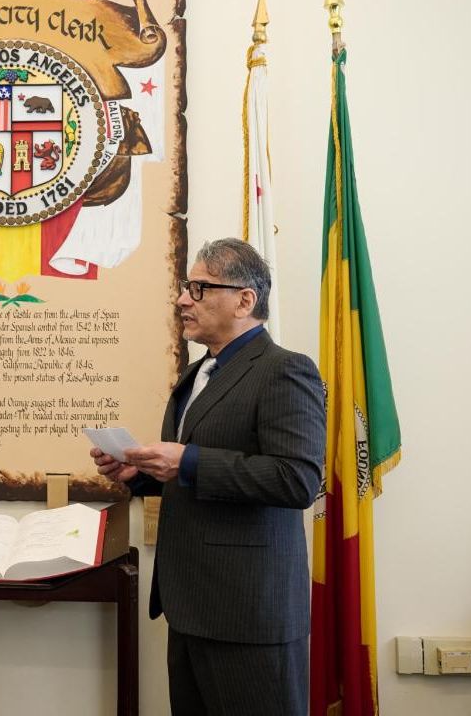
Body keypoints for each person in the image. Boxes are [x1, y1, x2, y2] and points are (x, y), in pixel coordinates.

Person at [91, 238, 325, 715]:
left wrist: (189, 461)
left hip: (249, 615)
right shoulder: (197, 374)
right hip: (190, 606)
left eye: (199, 288)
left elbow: (297, 479)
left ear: (245, 300)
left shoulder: (285, 371)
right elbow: (191, 471)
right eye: (185, 287)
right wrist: (140, 474)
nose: (182, 299)